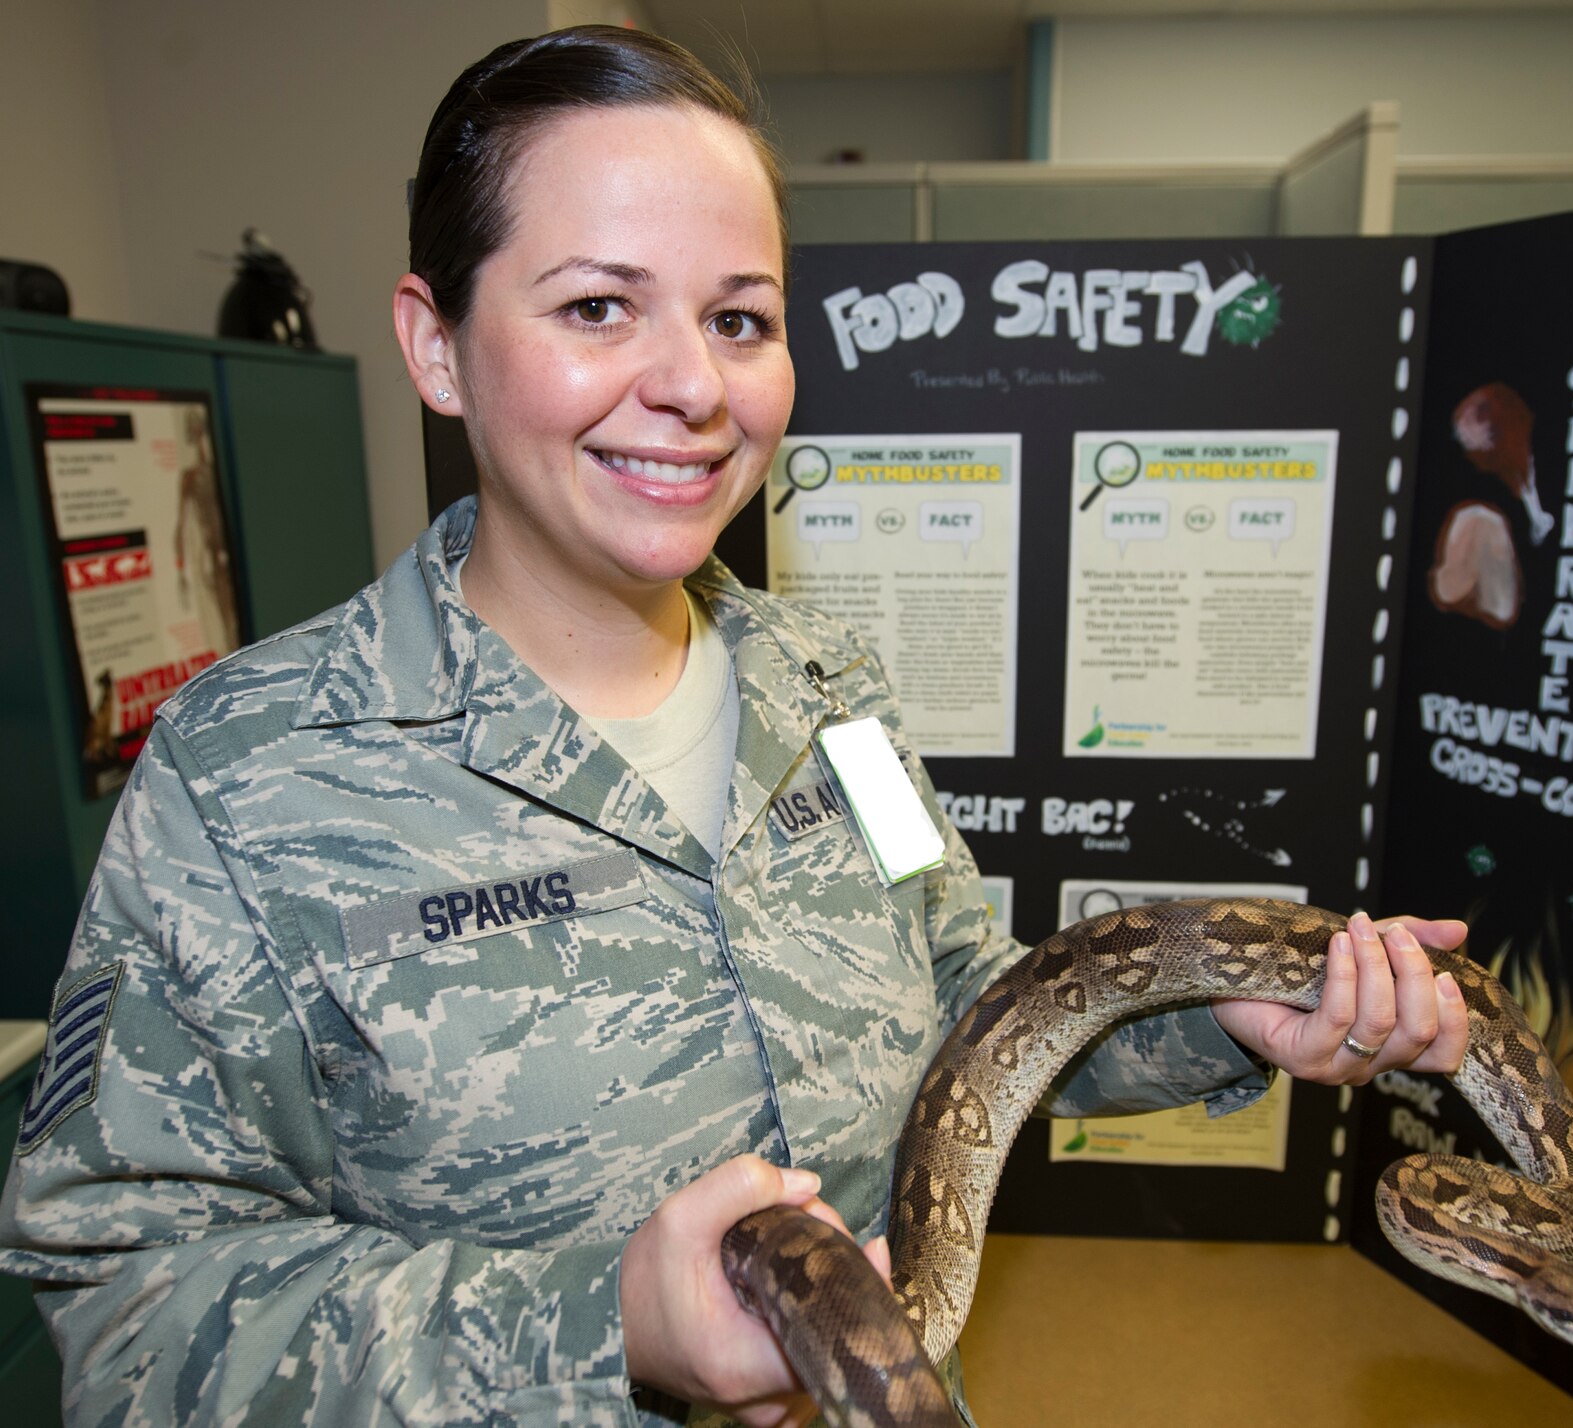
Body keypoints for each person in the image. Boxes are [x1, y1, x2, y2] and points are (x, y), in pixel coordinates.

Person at [0, 26, 1470, 1428]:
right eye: (596, 307)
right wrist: (605, 1327)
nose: (694, 387)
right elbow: (127, 1312)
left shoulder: (833, 692)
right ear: (436, 346)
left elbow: (981, 1012)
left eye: (740, 319)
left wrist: (1220, 1017)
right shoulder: (244, 777)